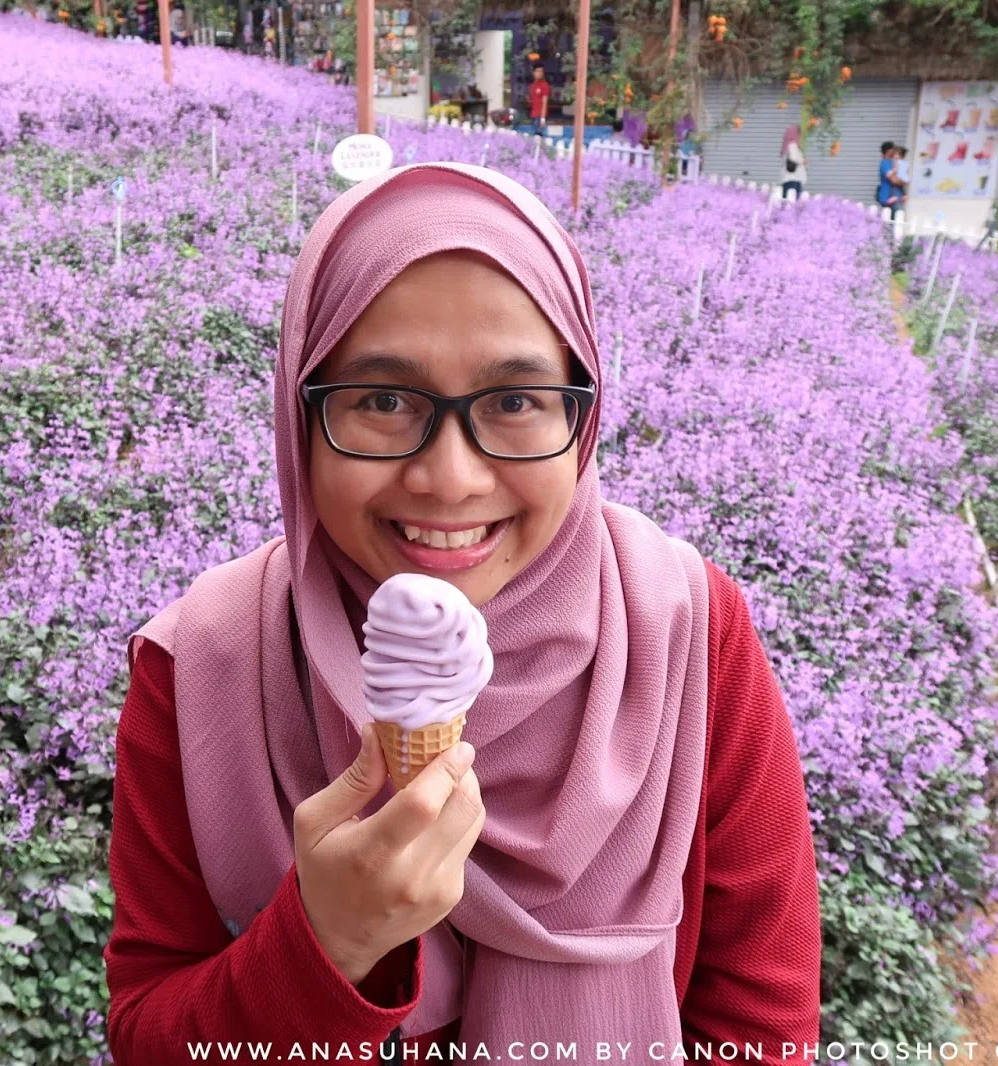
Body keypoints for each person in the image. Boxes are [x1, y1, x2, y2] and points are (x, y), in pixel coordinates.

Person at [104, 163, 822, 1063]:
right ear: (299, 417)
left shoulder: (686, 631)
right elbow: (147, 1035)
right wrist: (326, 947)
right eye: (382, 401)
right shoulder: (201, 665)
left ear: (584, 416)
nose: (449, 480)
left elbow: (762, 1017)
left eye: (517, 401)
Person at [781, 124, 807, 199]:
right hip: (793, 178)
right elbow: (793, 158)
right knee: (793, 200)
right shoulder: (792, 144)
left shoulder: (788, 145)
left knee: (787, 199)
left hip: (790, 178)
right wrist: (803, 161)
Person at [877, 141, 901, 216]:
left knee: (895, 223)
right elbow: (893, 180)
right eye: (893, 149)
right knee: (890, 223)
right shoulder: (885, 163)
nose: (894, 151)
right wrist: (902, 181)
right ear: (889, 150)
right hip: (887, 198)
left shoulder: (891, 162)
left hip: (894, 197)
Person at [527, 65, 551, 137]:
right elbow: (532, 101)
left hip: (540, 116)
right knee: (533, 137)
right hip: (533, 115)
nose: (540, 73)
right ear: (533, 72)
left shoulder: (545, 85)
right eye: (538, 71)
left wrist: (543, 118)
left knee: (539, 137)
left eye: (541, 71)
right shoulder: (532, 86)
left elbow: (545, 102)